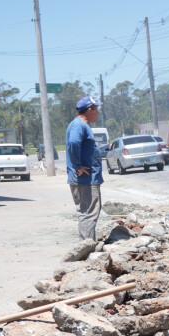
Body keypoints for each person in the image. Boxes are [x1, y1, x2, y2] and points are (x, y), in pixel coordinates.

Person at [65, 96, 103, 240]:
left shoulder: (80, 125)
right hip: (85, 179)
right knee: (88, 213)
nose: (97, 113)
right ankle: (87, 247)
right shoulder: (79, 125)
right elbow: (73, 143)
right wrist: (78, 166)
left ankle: (87, 245)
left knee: (88, 212)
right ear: (89, 110)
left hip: (86, 179)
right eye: (96, 109)